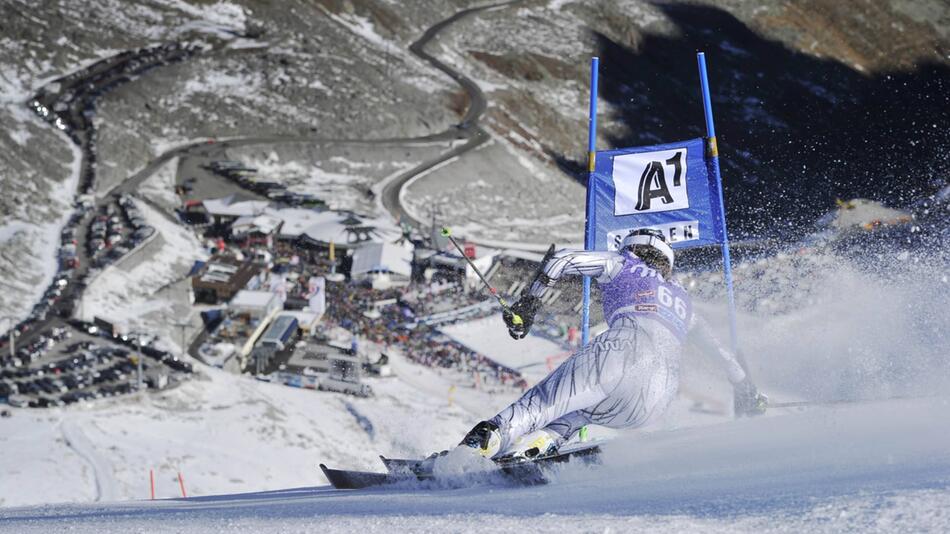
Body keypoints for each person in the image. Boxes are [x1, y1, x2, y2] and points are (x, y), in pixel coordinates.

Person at [457, 228, 768, 460]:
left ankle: (473, 451)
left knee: (540, 404)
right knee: (581, 411)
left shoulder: (624, 262)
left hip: (624, 351)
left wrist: (528, 306)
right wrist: (747, 393)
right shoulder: (685, 303)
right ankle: (541, 443)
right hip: (656, 398)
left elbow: (562, 259)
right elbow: (724, 357)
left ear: (633, 248)